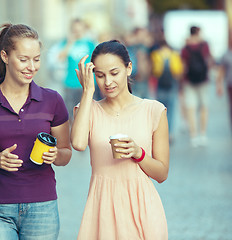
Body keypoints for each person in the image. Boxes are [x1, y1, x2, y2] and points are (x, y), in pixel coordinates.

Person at [0, 23, 72, 240]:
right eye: (23, 59)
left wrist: (56, 155)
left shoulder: (53, 101)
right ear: (4, 56)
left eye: (36, 59)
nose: (31, 66)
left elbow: (66, 152)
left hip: (43, 208)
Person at [71, 40, 169, 239]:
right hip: (102, 210)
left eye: (114, 73)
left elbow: (162, 173)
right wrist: (87, 91)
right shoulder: (88, 110)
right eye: (100, 75)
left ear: (129, 68)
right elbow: (79, 144)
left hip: (143, 210)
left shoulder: (153, 110)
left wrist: (138, 153)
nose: (107, 82)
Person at [181, 26, 213, 147]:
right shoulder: (204, 45)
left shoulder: (185, 47)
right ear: (198, 32)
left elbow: (183, 66)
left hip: (188, 81)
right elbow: (209, 60)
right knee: (204, 107)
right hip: (203, 80)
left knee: (191, 108)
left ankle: (193, 136)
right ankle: (203, 134)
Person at [58, 18, 98, 116]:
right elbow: (60, 58)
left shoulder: (90, 43)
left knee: (89, 113)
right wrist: (70, 42)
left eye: (79, 30)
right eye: (75, 30)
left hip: (88, 83)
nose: (77, 33)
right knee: (70, 113)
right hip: (70, 84)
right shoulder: (66, 43)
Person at [151, 39, 183, 141]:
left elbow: (155, 71)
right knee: (171, 110)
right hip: (172, 85)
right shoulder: (174, 55)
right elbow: (178, 71)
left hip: (160, 85)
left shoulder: (156, 54)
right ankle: (170, 133)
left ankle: (161, 133)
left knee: (161, 111)